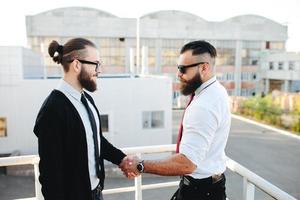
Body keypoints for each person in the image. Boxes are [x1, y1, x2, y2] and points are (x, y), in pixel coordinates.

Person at [121, 40, 231, 200]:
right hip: (211, 187)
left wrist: (141, 165)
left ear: (204, 67)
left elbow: (186, 164)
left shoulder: (203, 105)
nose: (178, 74)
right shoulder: (217, 91)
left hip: (200, 192)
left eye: (183, 69)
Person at [33, 38, 136, 200]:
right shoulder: (52, 110)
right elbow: (50, 176)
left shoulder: (86, 99)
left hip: (96, 193)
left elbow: (95, 140)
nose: (99, 70)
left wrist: (121, 159)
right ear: (76, 65)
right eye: (95, 64)